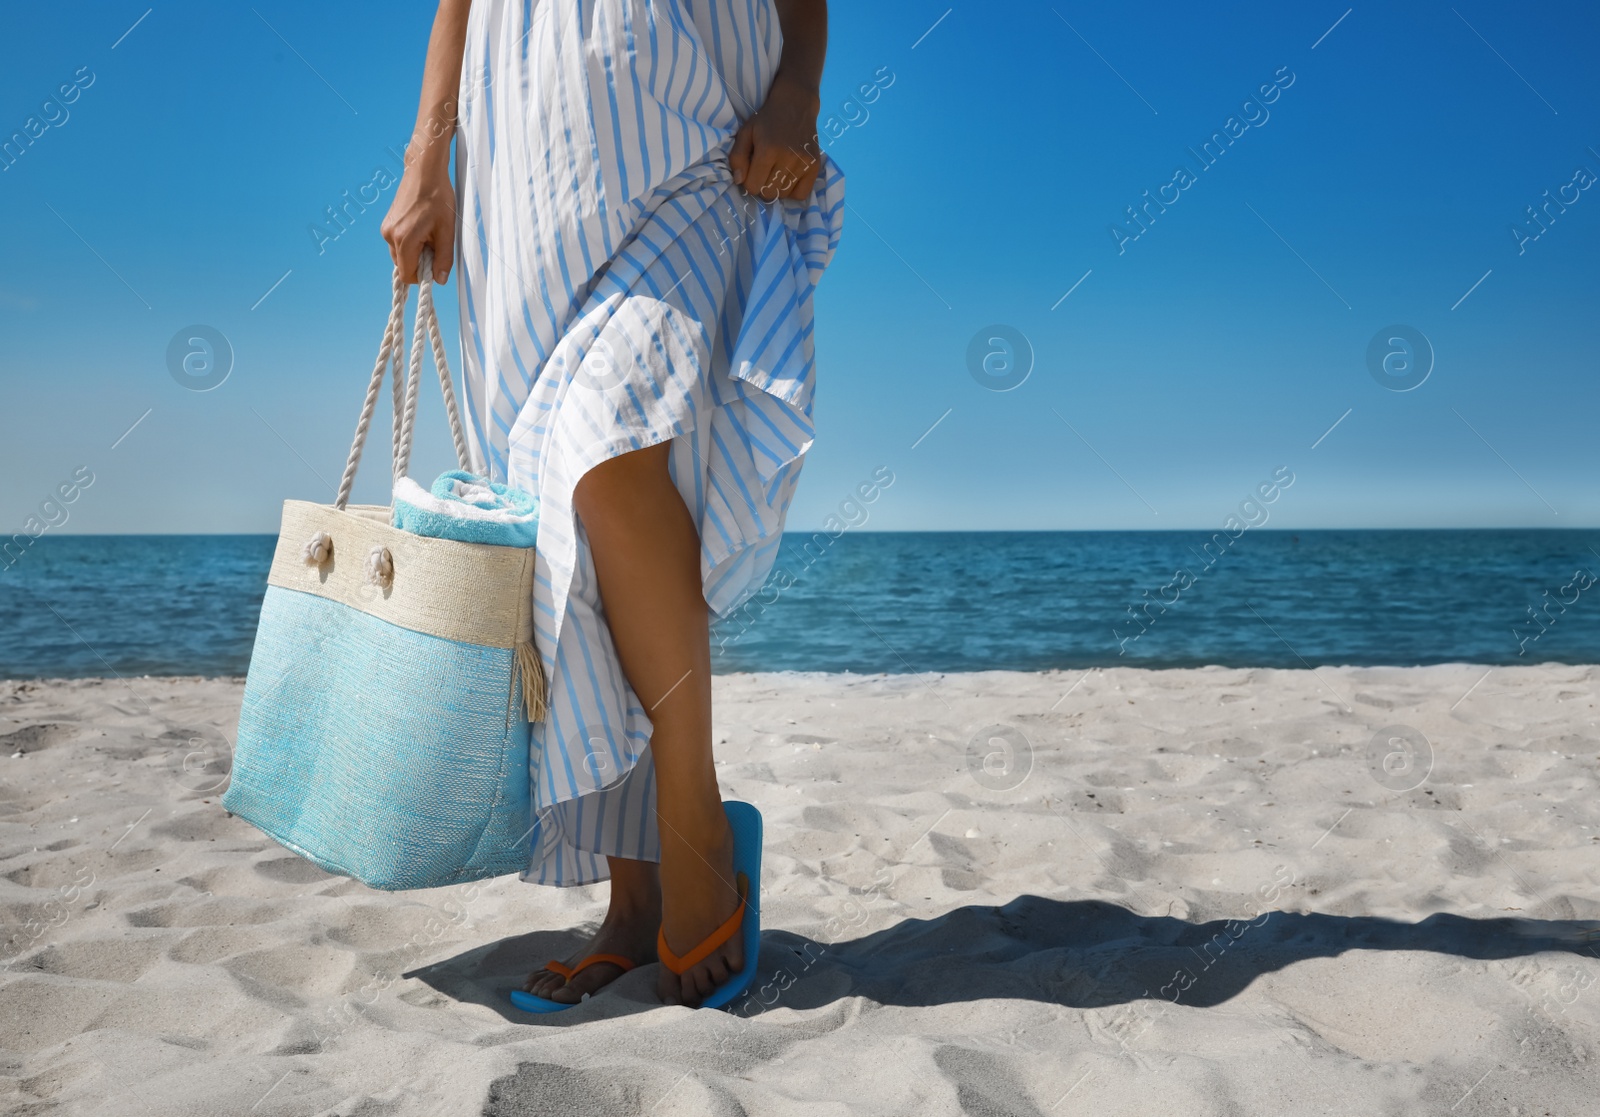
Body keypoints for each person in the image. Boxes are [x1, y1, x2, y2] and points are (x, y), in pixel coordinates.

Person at [381, 0, 843, 1007]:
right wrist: (428, 157)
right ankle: (632, 905)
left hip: (695, 139)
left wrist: (797, 89)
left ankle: (696, 825)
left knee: (606, 446)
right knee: (566, 523)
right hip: (524, 170)